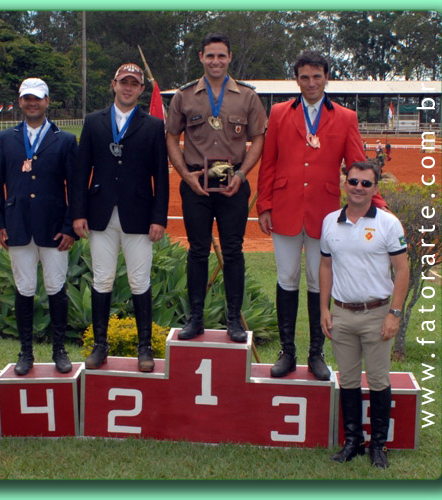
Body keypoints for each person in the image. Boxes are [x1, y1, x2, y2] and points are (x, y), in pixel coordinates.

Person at [256, 50, 387, 380]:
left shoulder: (345, 117)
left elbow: (358, 162)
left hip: (325, 213)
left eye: (317, 76)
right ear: (296, 79)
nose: (311, 82)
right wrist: (264, 205)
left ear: (326, 77)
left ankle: (316, 353)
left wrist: (378, 203)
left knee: (318, 281)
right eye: (304, 77)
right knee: (286, 278)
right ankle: (287, 352)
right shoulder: (279, 112)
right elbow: (268, 162)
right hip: (285, 209)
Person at [166, 33, 266, 343]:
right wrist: (185, 175)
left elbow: (258, 137)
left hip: (233, 183)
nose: (216, 61)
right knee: (197, 252)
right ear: (200, 58)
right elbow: (171, 136)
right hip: (196, 182)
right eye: (210, 56)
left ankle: (233, 320)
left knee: (233, 252)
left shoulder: (247, 97)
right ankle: (195, 319)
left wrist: (243, 174)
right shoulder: (184, 97)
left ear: (230, 58)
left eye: (221, 56)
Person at [71, 63, 169, 372]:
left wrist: (159, 218)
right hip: (100, 212)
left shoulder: (152, 125)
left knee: (140, 280)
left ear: (141, 89)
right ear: (114, 84)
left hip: (138, 214)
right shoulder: (93, 122)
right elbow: (80, 171)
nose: (128, 87)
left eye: (134, 84)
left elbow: (161, 177)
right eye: (123, 82)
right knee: (103, 278)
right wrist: (78, 213)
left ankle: (145, 347)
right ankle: (100, 346)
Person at [319, 161, 409, 468]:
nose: (358, 187)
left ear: (375, 188)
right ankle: (353, 441)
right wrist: (323, 309)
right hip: (342, 314)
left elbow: (402, 270)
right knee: (347, 379)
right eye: (353, 181)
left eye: (365, 183)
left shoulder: (388, 223)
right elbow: (326, 266)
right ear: (345, 183)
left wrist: (394, 313)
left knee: (379, 380)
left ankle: (378, 446)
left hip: (377, 313)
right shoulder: (330, 222)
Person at [0, 77, 78, 376]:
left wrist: (70, 228)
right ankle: (25, 351)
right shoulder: (7, 138)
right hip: (18, 227)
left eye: (37, 98)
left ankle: (59, 350)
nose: (32, 103)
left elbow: (75, 188)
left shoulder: (64, 140)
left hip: (54, 229)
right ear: (20, 101)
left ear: (47, 101)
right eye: (27, 98)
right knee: (24, 289)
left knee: (56, 288)